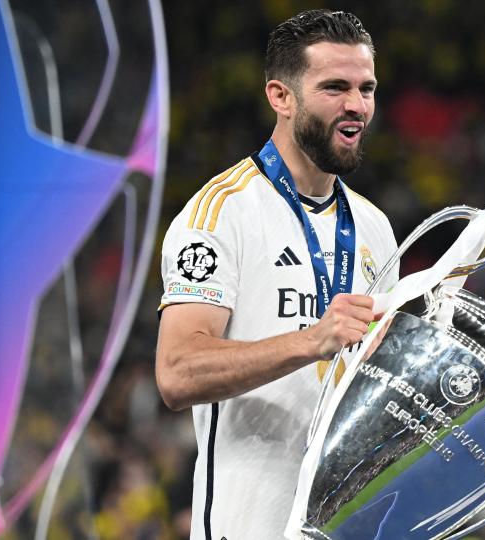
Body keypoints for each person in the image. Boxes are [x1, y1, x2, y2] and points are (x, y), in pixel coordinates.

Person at [155, 10, 398, 539]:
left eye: (366, 88)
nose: (356, 105)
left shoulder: (376, 230)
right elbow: (176, 371)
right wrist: (313, 340)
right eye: (335, 87)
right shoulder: (222, 213)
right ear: (281, 97)